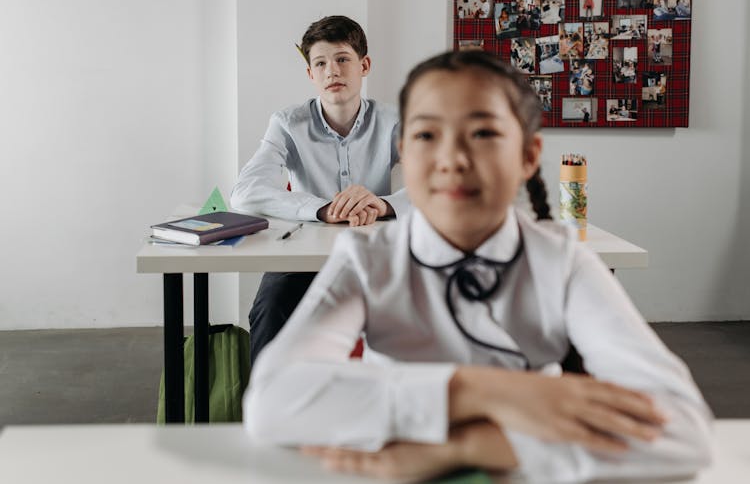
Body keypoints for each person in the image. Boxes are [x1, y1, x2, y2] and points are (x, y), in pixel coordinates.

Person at [243, 51, 713, 482]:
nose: (452, 159)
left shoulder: (561, 260)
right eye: (427, 135)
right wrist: (487, 393)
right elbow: (271, 403)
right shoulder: (369, 260)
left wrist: (467, 444)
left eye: (484, 133)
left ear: (529, 155)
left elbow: (685, 433)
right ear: (405, 150)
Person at [230, 15, 409, 365]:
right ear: (311, 74)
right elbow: (245, 190)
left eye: (342, 59)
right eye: (321, 63)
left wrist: (383, 204)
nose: (332, 71)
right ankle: (271, 415)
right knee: (268, 309)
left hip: (373, 256)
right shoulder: (287, 122)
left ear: (364, 65)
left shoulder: (394, 121)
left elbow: (439, 185)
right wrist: (320, 209)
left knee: (419, 312)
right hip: (299, 260)